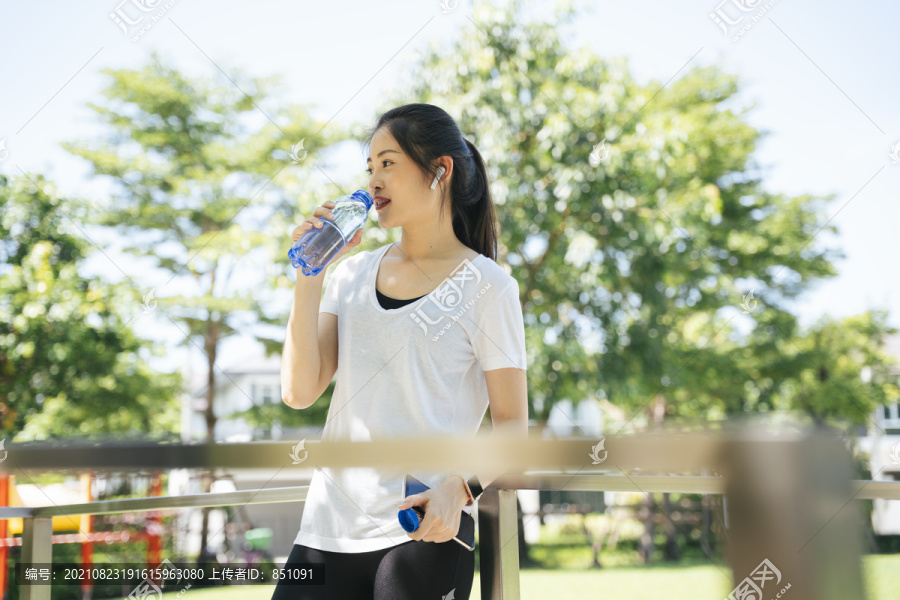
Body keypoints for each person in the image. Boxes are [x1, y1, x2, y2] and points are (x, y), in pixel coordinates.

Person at [274, 103, 528, 600]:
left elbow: (513, 427)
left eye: (388, 163)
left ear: (440, 170)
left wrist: (461, 489)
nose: (374, 181)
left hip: (423, 529)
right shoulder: (349, 276)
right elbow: (299, 391)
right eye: (370, 168)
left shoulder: (488, 287)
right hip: (326, 528)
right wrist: (311, 275)